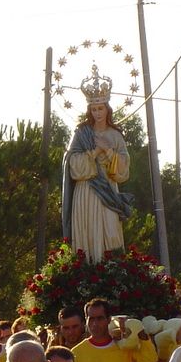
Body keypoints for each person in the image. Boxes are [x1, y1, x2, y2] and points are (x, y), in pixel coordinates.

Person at [62, 65, 132, 264]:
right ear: (89, 110)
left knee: (111, 232)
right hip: (85, 190)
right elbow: (72, 164)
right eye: (93, 109)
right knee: (87, 232)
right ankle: (87, 272)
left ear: (107, 109)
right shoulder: (81, 133)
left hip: (108, 190)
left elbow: (124, 169)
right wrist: (94, 152)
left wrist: (109, 151)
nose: (97, 113)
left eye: (100, 108)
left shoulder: (115, 135)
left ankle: (112, 271)